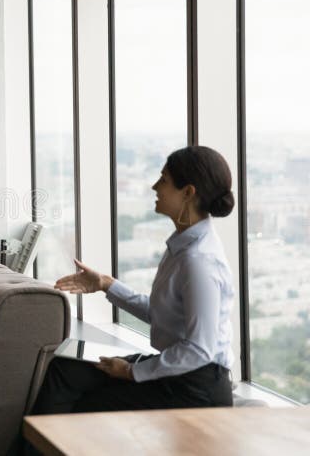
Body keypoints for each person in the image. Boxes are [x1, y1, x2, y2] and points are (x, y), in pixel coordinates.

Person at [33, 145, 236, 414]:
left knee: (88, 405)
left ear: (188, 193)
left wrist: (131, 371)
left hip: (195, 387)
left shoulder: (198, 261)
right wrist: (106, 284)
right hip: (180, 372)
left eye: (163, 180)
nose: (155, 187)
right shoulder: (183, 247)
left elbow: (200, 350)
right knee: (66, 370)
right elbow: (162, 314)